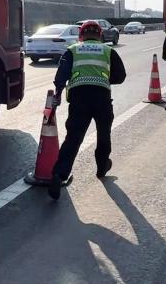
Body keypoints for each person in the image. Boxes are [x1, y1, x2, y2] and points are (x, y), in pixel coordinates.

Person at [48, 20, 126, 200]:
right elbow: (120, 76)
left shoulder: (73, 50)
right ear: (100, 35)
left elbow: (61, 75)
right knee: (103, 133)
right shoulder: (108, 51)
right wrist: (103, 79)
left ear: (81, 35)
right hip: (102, 97)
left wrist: (58, 93)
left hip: (79, 98)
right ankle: (101, 167)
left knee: (73, 138)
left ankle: (59, 175)